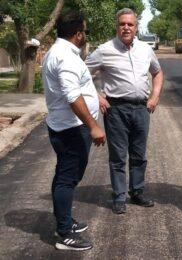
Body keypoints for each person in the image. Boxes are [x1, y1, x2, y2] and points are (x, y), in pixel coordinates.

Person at [85, 8, 164, 214]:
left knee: (139, 155)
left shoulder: (146, 49)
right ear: (117, 26)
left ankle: (137, 192)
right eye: (122, 24)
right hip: (116, 110)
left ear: (136, 27)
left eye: (130, 24)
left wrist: (154, 96)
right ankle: (119, 197)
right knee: (118, 156)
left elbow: (157, 72)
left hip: (141, 109)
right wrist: (98, 96)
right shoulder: (104, 50)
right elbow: (82, 74)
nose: (126, 28)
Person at [42, 11, 106, 250]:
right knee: (67, 179)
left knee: (64, 176)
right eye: (85, 31)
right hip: (71, 129)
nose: (85, 36)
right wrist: (93, 126)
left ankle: (65, 220)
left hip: (65, 126)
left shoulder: (60, 52)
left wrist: (95, 96)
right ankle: (65, 233)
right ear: (78, 34)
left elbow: (75, 86)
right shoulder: (65, 57)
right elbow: (72, 96)